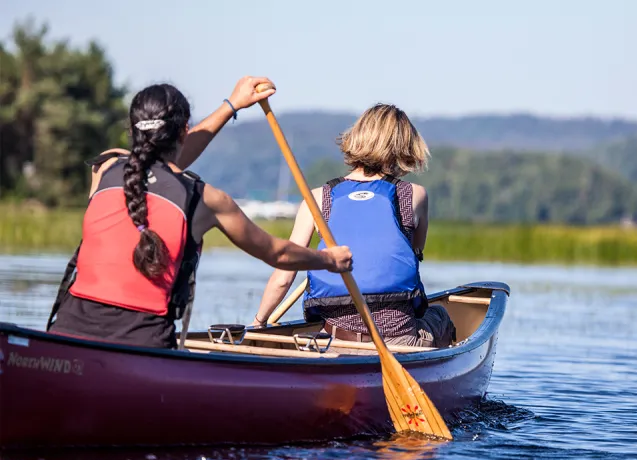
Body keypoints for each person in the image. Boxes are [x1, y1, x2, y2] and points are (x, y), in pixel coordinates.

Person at [48, 76, 352, 349]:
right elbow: (278, 254)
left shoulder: (106, 168)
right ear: (183, 131)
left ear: (132, 129)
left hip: (68, 334)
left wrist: (231, 105)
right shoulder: (206, 199)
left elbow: (161, 162)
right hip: (143, 344)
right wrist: (328, 259)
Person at [252, 103, 456, 349]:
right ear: (403, 146)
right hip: (399, 341)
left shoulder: (317, 198)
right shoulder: (415, 195)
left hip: (336, 340)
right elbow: (413, 252)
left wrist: (259, 321)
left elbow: (283, 277)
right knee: (441, 317)